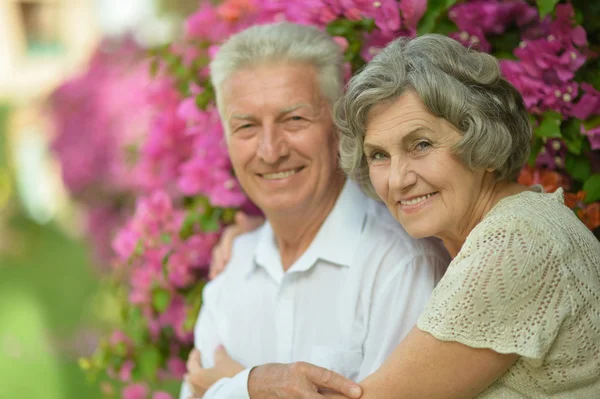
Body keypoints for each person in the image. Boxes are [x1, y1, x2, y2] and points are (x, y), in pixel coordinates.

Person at [222, 33, 600, 398]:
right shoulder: (519, 227)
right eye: (379, 155)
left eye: (421, 144)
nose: (399, 180)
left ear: (481, 139)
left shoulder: (516, 243)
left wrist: (240, 384)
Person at [179, 24, 450, 399]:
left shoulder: (399, 263)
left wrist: (240, 385)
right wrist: (251, 385)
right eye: (246, 127)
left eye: (294, 120)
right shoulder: (232, 269)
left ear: (339, 126)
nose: (271, 151)